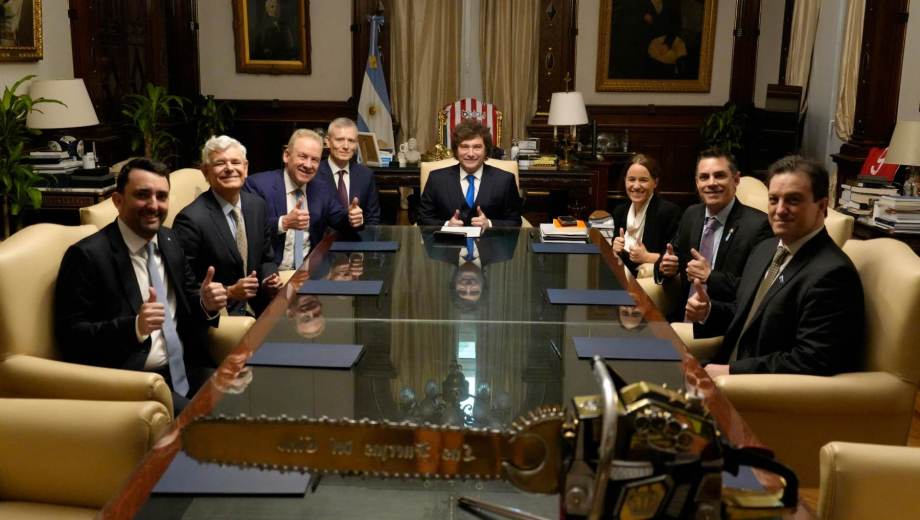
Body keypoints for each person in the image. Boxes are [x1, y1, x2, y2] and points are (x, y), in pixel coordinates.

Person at [54, 158, 228, 415]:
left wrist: (206, 303)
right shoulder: (87, 256)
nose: (154, 205)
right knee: (210, 426)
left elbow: (191, 301)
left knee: (251, 403)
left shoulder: (170, 239)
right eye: (142, 195)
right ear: (118, 200)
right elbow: (72, 338)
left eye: (161, 196)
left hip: (187, 367)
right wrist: (135, 327)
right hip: (136, 380)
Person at [686, 155, 865, 377]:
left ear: (822, 206)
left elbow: (812, 359)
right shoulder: (766, 248)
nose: (780, 210)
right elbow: (749, 314)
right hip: (720, 369)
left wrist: (730, 371)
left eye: (793, 200)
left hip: (756, 392)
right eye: (774, 199)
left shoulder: (832, 274)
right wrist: (708, 311)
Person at [654, 148, 772, 322]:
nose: (711, 183)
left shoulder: (758, 226)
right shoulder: (691, 214)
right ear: (697, 183)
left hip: (720, 321)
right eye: (704, 177)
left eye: (719, 176)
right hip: (682, 316)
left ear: (736, 179)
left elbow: (755, 289)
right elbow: (672, 254)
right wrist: (665, 266)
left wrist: (710, 276)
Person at [173, 136, 281, 317]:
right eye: (220, 163)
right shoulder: (190, 220)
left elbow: (266, 257)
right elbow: (183, 284)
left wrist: (270, 278)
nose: (230, 168)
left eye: (235, 162)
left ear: (245, 168)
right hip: (224, 315)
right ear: (206, 172)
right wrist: (229, 291)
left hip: (261, 305)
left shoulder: (257, 205)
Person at [243, 129, 364, 270]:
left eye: (314, 160)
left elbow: (340, 219)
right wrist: (284, 222)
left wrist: (352, 217)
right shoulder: (258, 185)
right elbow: (248, 229)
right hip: (272, 274)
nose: (308, 165)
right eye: (302, 156)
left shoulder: (322, 189)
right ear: (287, 156)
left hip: (309, 273)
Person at [418, 119, 522, 228]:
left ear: (486, 150)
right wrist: (447, 225)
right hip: (448, 243)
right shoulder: (436, 179)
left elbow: (515, 222)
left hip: (490, 243)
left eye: (477, 147)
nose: (470, 154)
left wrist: (490, 224)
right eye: (464, 147)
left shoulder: (505, 180)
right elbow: (423, 219)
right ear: (456, 150)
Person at [611, 154, 681, 275]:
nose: (636, 186)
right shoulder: (620, 211)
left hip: (651, 278)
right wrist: (616, 247)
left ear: (655, 182)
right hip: (623, 273)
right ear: (625, 181)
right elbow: (617, 249)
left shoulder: (668, 212)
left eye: (643, 180)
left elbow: (676, 260)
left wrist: (647, 257)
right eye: (631, 179)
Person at [318, 117, 381, 225]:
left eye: (351, 141)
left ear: (357, 144)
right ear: (327, 142)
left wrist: (361, 222)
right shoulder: (314, 173)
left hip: (357, 239)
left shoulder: (366, 175)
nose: (346, 146)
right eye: (340, 140)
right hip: (324, 240)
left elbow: (373, 219)